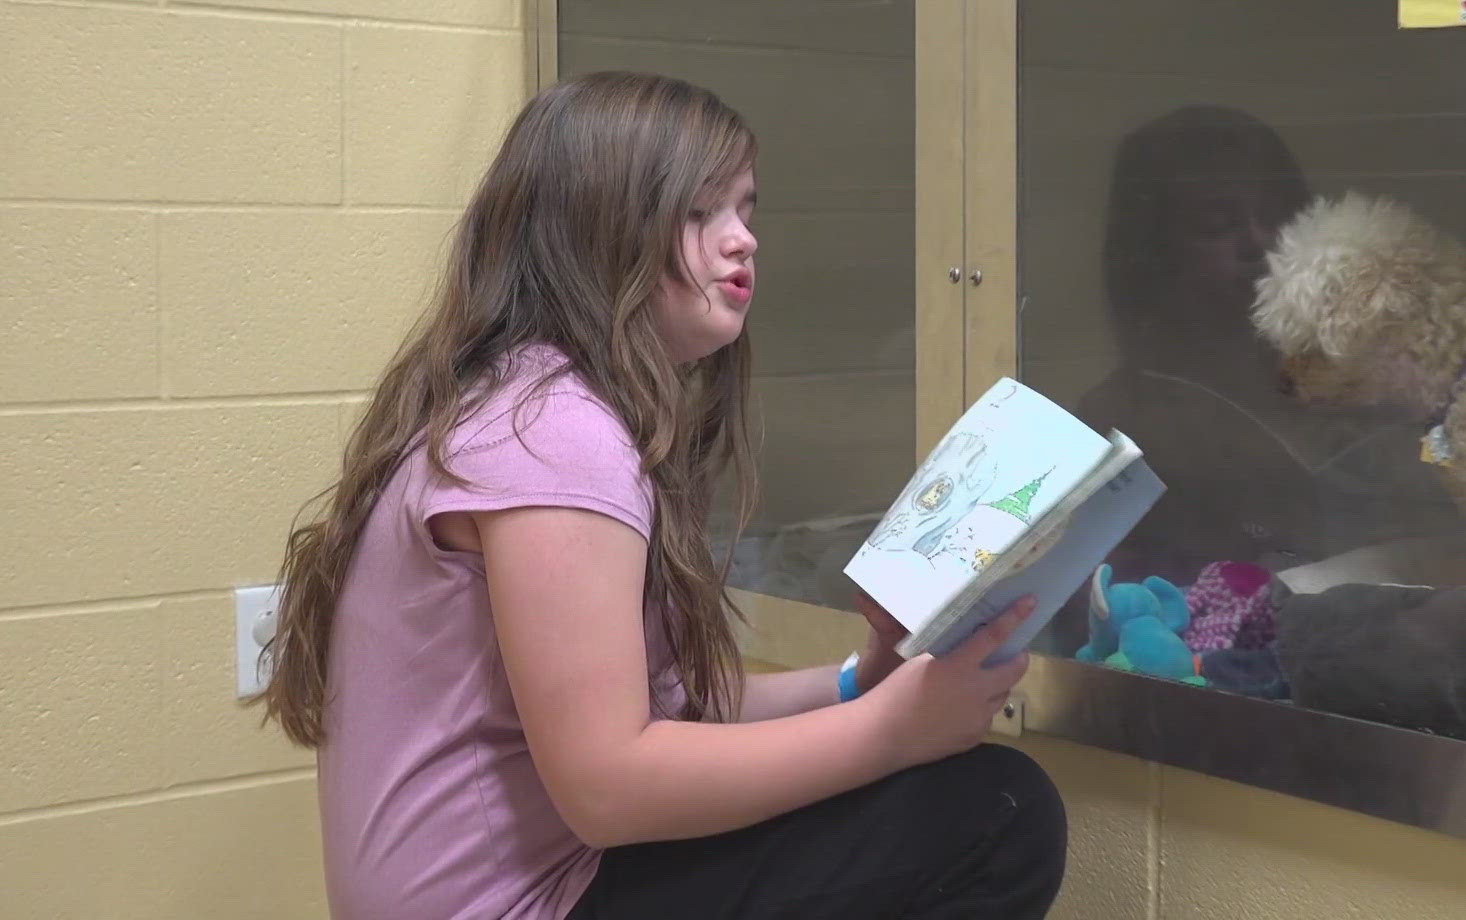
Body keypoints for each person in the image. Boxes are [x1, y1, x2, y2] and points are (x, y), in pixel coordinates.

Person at [253, 72, 1067, 919]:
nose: (742, 239)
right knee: (996, 814)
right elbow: (608, 787)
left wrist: (859, 685)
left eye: (746, 210)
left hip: (539, 884)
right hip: (524, 903)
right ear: (599, 227)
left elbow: (657, 715)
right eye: (700, 212)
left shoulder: (515, 401)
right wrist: (892, 732)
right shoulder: (552, 434)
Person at [1072, 105, 1466, 592]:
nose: (1257, 242)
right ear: (1155, 252)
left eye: (1276, 216)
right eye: (1218, 225)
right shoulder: (1120, 419)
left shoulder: (1370, 382)